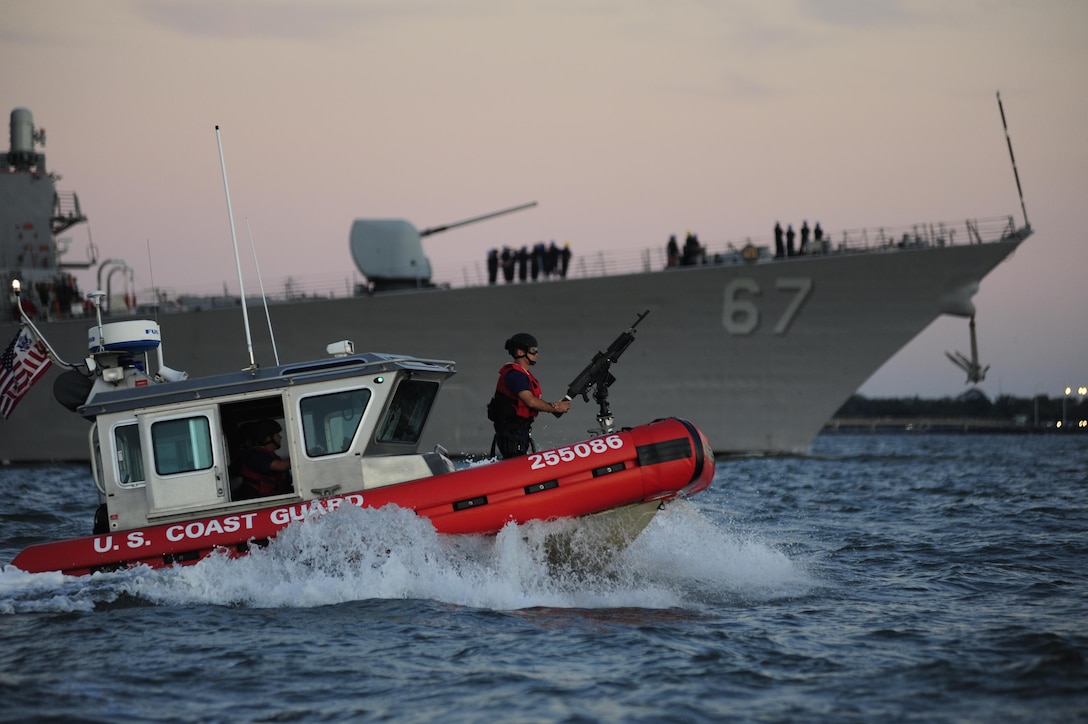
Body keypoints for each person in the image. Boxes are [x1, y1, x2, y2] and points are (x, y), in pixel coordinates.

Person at [487, 333, 571, 458]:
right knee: (515, 464)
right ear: (520, 352)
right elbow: (530, 401)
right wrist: (555, 408)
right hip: (512, 433)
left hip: (517, 432)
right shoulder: (516, 376)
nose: (536, 354)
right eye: (533, 350)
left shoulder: (521, 375)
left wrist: (554, 405)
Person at [236, 419, 293, 499]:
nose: (280, 437)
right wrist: (300, 456)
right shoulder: (256, 456)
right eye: (277, 434)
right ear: (268, 438)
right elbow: (282, 466)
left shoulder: (266, 455)